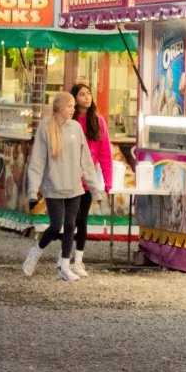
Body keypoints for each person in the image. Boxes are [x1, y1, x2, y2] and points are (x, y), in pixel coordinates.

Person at [23, 91, 104, 283]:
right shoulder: (45, 127)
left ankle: (64, 267)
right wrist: (33, 191)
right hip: (53, 187)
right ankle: (36, 252)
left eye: (73, 106)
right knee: (55, 226)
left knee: (70, 225)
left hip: (75, 187)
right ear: (59, 107)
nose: (73, 109)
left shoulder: (76, 127)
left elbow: (86, 161)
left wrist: (95, 190)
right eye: (70, 106)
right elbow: (37, 161)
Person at [68, 82, 114, 278]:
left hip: (88, 180)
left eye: (88, 93)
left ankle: (78, 260)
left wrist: (108, 181)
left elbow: (105, 153)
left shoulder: (98, 121)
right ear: (74, 99)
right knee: (69, 221)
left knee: (82, 219)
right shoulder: (69, 120)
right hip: (68, 178)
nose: (86, 97)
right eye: (81, 94)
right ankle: (64, 259)